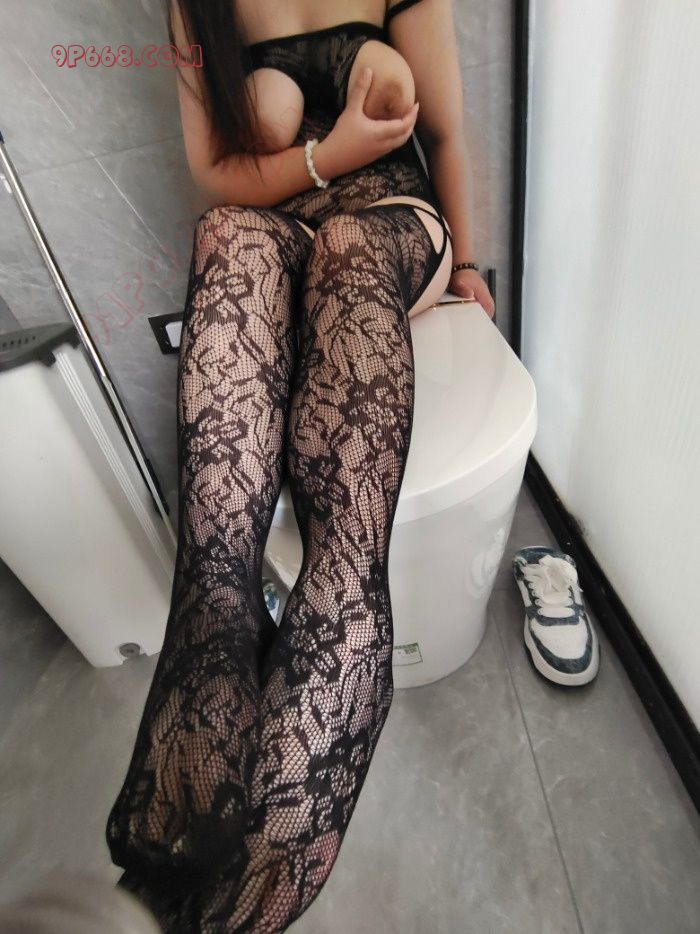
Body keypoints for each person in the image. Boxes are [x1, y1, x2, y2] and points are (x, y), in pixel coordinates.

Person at [105, 0, 496, 930]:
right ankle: (217, 610)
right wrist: (330, 153)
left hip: (387, 224)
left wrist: (470, 267)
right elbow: (216, 177)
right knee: (225, 233)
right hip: (280, 229)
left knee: (350, 248)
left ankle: (216, 909)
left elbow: (443, 135)